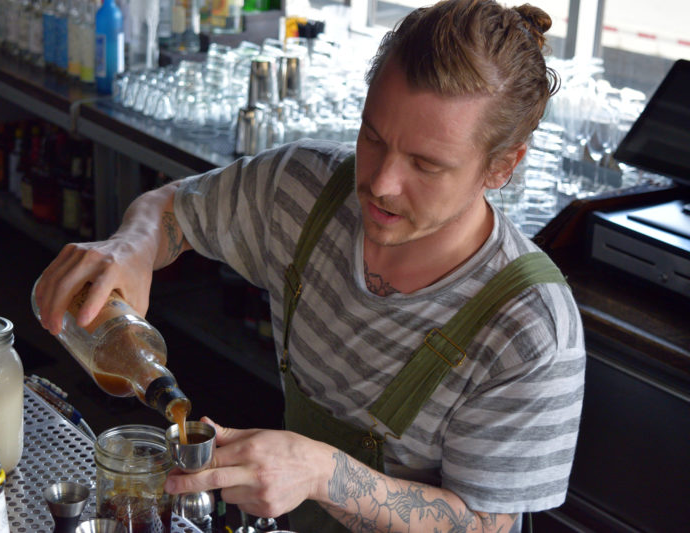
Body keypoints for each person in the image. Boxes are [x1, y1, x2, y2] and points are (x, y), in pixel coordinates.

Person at [34, 0, 585, 531]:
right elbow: (171, 209)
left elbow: (484, 523)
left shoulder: (531, 328)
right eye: (372, 136)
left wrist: (325, 475)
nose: (381, 183)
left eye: (425, 164)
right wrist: (132, 245)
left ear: (502, 166)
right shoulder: (305, 191)